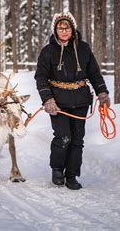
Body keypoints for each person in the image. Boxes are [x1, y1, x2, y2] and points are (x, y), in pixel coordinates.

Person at [34, 12, 110, 190]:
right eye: (60, 27)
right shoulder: (48, 51)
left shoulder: (83, 49)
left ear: (72, 29)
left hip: (81, 101)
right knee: (63, 137)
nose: (64, 30)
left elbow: (94, 73)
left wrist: (103, 93)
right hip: (58, 103)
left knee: (77, 140)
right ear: (55, 30)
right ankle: (58, 169)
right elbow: (41, 77)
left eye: (67, 27)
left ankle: (72, 175)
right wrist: (47, 100)